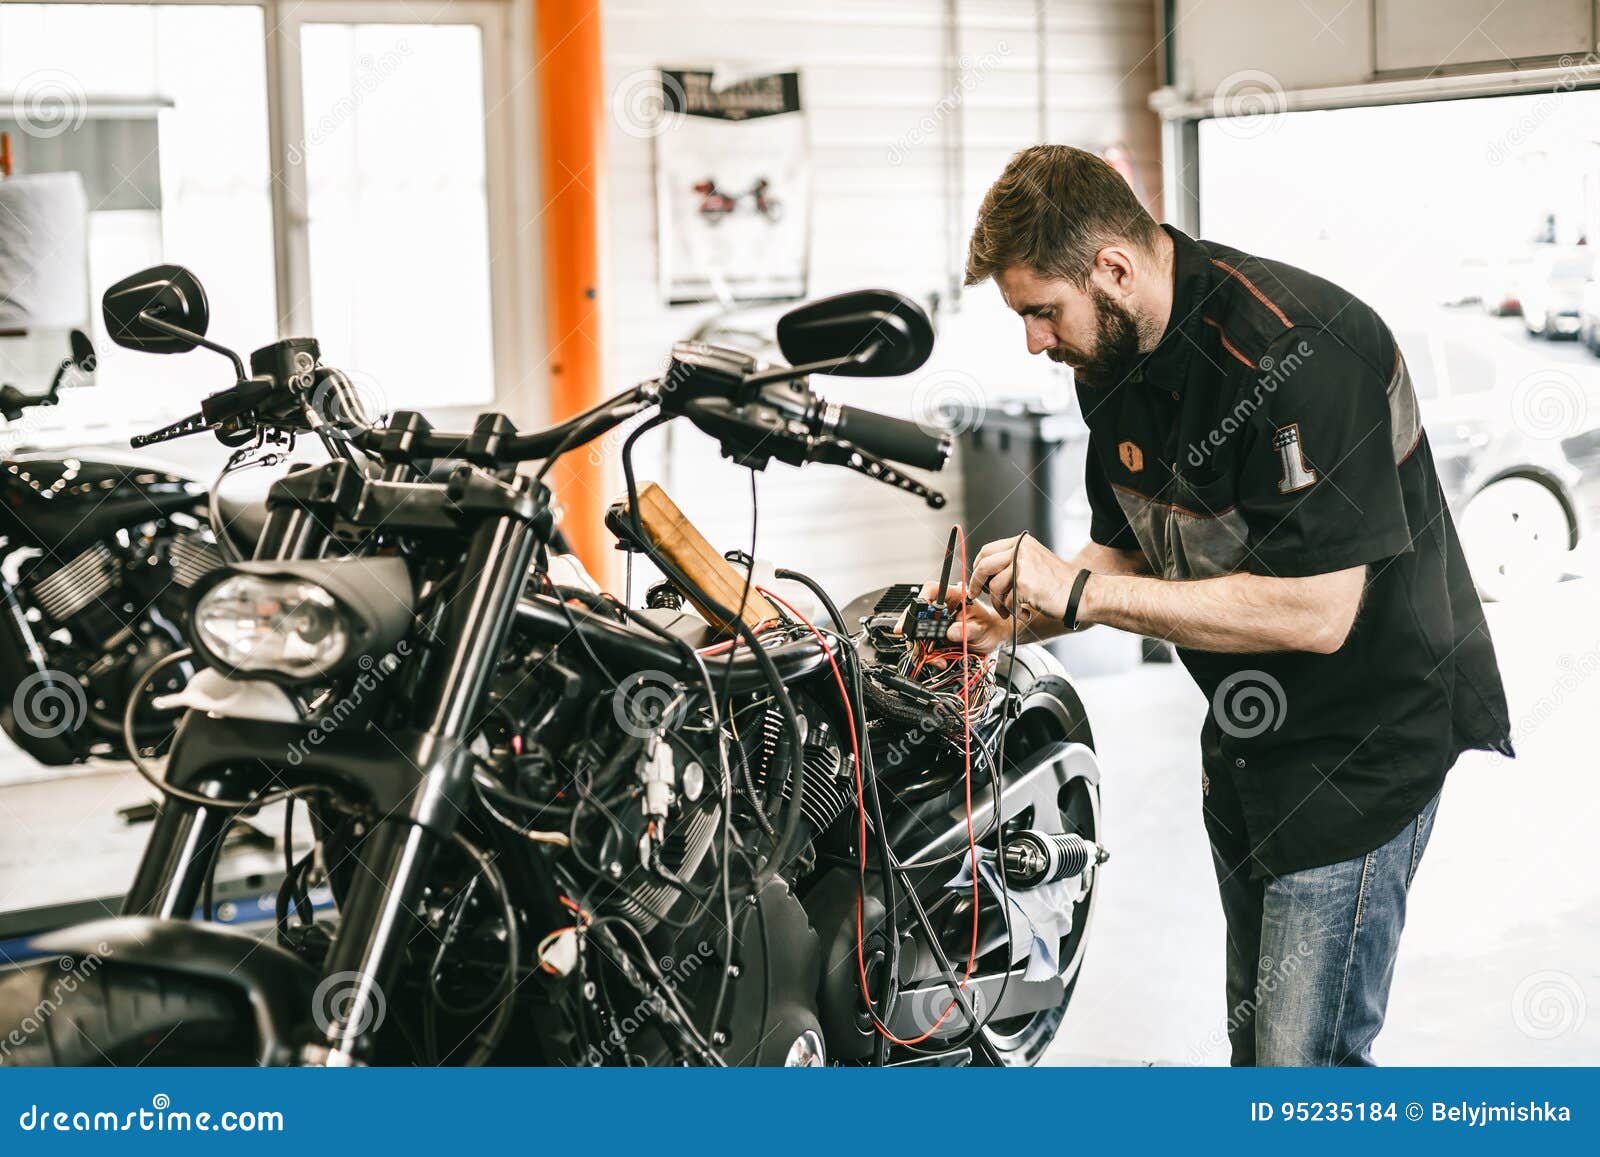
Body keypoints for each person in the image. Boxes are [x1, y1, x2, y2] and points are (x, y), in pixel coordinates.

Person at [930, 144, 1513, 1066]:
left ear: (1113, 269)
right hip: (1246, 741)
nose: (1034, 341)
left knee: (1303, 1067)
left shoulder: (1300, 351)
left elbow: (1318, 613)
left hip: (1362, 750)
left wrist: (1081, 594)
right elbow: (1124, 544)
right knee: (1258, 1044)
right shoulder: (1112, 359)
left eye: (1042, 311)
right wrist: (1023, 612)